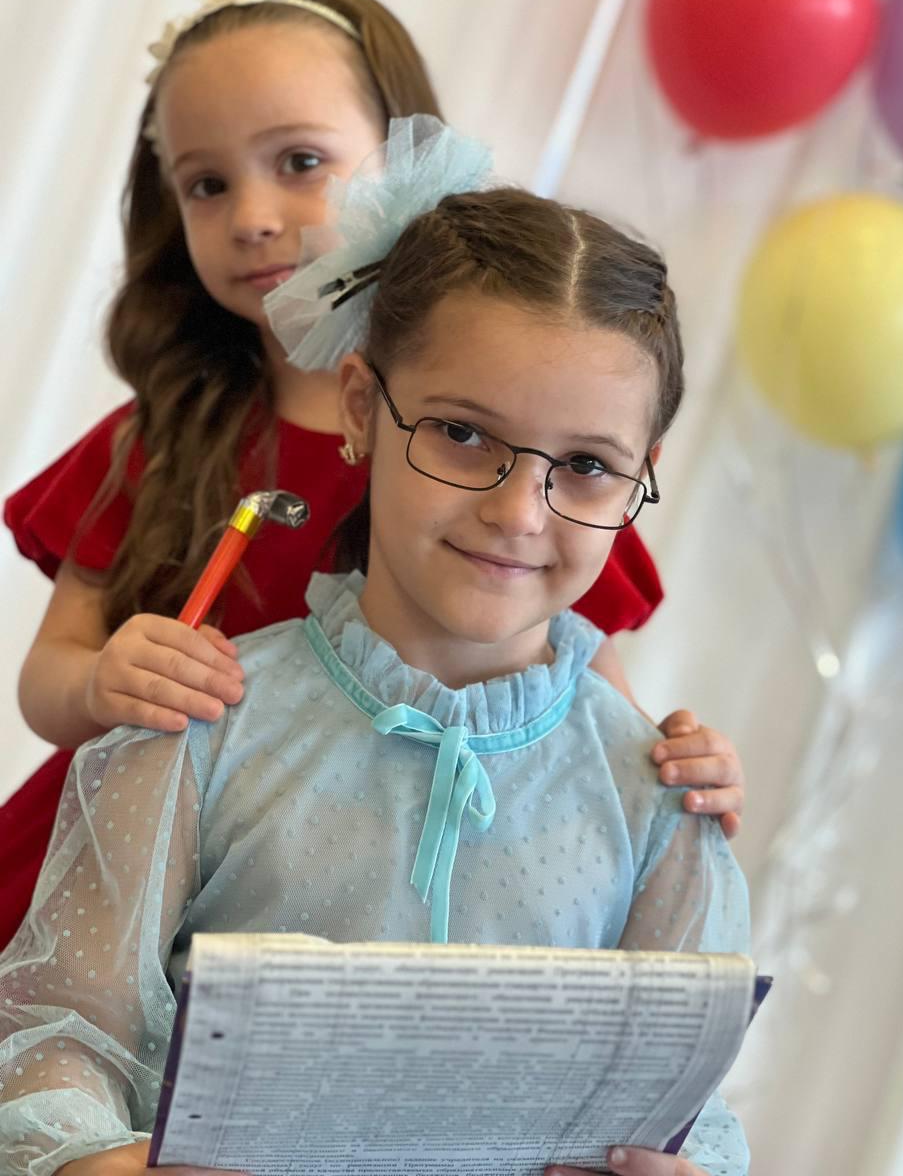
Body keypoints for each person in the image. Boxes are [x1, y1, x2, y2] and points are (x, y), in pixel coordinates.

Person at [0, 130, 751, 1176]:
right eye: (463, 433)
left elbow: (691, 1112)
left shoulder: (663, 805)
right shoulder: (193, 734)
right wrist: (96, 1162)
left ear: (641, 474)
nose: (518, 511)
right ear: (362, 408)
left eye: (586, 464)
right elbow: (56, 1033)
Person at [0, 0, 745, 951]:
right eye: (206, 184)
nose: (252, 215)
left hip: (335, 883)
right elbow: (46, 677)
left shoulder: (499, 468)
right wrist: (104, 680)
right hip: (117, 877)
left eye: (300, 161)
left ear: (403, 164)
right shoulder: (164, 433)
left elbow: (581, 710)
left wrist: (677, 766)